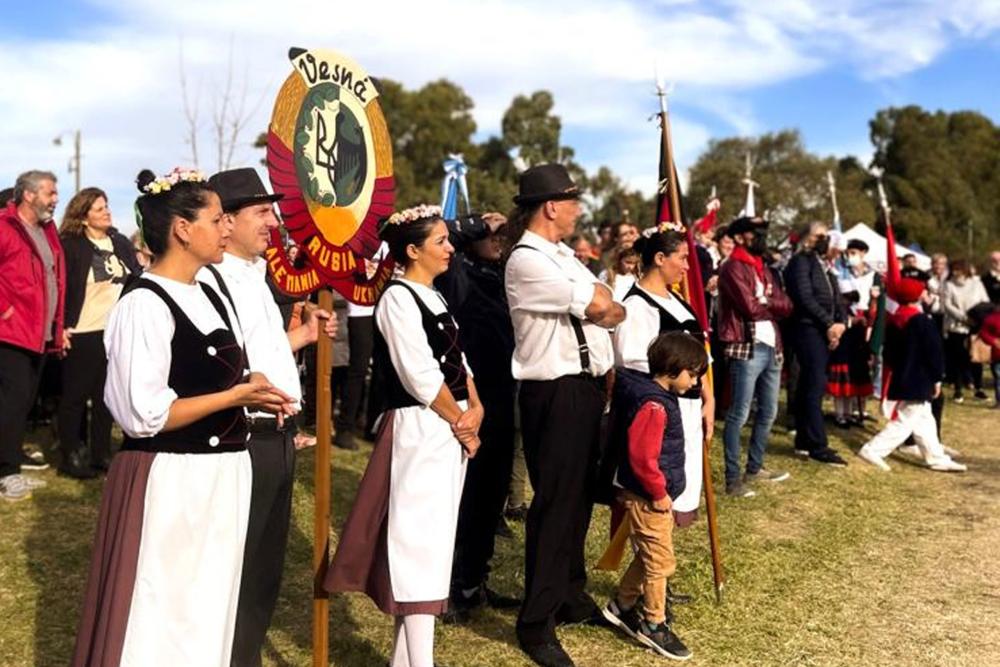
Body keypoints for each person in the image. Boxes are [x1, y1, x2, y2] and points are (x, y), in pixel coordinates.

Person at [72, 168, 296, 665]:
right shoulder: (143, 304)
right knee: (165, 611)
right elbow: (143, 414)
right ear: (181, 229)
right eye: (217, 220)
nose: (224, 229)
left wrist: (258, 385)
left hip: (223, 477)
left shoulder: (210, 292)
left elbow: (224, 372)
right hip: (173, 481)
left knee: (209, 608)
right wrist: (238, 397)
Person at [326, 205, 484, 667]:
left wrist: (477, 407)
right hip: (421, 427)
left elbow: (457, 361)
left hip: (445, 428)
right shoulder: (397, 298)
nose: (450, 248)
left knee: (433, 541)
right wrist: (461, 421)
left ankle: (405, 660)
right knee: (418, 544)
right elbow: (419, 373)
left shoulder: (433, 296)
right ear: (412, 250)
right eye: (440, 241)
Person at [199, 167, 336, 667]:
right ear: (226, 221)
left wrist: (295, 340)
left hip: (276, 435)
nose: (273, 222)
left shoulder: (256, 275)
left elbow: (255, 350)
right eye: (261, 212)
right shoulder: (211, 279)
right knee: (236, 567)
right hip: (243, 437)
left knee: (262, 570)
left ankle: (244, 657)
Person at [503, 164, 625, 667]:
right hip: (554, 391)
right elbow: (601, 308)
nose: (579, 210)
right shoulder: (528, 260)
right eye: (573, 202)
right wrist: (602, 306)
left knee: (576, 501)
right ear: (551, 206)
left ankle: (569, 592)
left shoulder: (561, 256)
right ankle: (536, 622)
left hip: (584, 387)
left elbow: (611, 305)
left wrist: (604, 306)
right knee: (554, 506)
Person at [434, 211, 522, 621]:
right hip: (469, 399)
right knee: (466, 497)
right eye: (493, 237)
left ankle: (475, 580)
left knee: (491, 496)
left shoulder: (501, 276)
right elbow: (443, 232)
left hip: (503, 396)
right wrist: (477, 225)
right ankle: (451, 587)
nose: (499, 242)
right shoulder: (457, 274)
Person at [601, 332, 707, 661]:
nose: (695, 382)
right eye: (692, 374)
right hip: (648, 498)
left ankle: (622, 604)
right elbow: (643, 457)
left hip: (652, 495)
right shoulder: (654, 406)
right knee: (660, 562)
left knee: (650, 554)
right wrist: (659, 492)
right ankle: (653, 622)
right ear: (673, 370)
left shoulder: (660, 398)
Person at [611, 226, 714, 525]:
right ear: (659, 257)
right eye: (681, 258)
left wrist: (708, 398)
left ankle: (659, 557)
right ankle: (649, 564)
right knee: (650, 495)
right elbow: (633, 367)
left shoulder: (679, 303)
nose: (686, 266)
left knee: (681, 482)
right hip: (659, 413)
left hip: (689, 408)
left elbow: (699, 356)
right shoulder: (637, 306)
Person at [58, 187, 142, 479]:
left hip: (114, 331)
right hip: (82, 330)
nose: (107, 211)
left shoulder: (118, 242)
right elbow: (61, 287)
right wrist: (61, 326)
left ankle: (101, 454)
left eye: (106, 206)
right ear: (83, 217)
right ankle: (70, 454)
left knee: (107, 397)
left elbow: (135, 277)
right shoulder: (70, 245)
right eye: (99, 208)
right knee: (75, 398)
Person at [857, 277, 966, 472]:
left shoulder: (895, 319)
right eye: (923, 291)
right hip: (920, 378)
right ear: (917, 296)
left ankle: (936, 457)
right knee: (905, 421)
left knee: (925, 419)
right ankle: (874, 449)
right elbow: (934, 352)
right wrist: (937, 377)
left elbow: (889, 352)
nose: (926, 293)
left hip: (904, 376)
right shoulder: (922, 321)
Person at [0, 170, 64, 501]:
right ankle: (8, 472)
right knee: (12, 402)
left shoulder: (46, 230)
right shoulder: (4, 226)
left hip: (39, 333)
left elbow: (55, 279)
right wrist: (5, 312)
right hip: (10, 333)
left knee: (24, 401)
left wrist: (58, 325)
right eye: (51, 193)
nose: (56, 199)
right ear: (28, 194)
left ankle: (11, 462)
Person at [717, 216, 793, 495]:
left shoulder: (763, 268)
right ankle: (732, 478)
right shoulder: (733, 267)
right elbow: (749, 308)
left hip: (772, 346)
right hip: (746, 346)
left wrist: (766, 302)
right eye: (754, 232)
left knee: (769, 411)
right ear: (739, 237)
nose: (760, 237)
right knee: (739, 413)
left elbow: (788, 305)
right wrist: (769, 303)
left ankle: (755, 467)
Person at [784, 221, 848, 467]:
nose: (823, 240)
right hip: (807, 328)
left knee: (812, 384)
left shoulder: (824, 265)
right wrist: (828, 323)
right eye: (818, 236)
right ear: (806, 238)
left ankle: (804, 439)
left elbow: (836, 297)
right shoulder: (800, 261)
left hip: (824, 330)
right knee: (813, 385)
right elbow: (804, 297)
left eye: (825, 236)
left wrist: (840, 323)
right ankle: (817, 445)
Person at [827, 239, 879, 428]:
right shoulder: (839, 273)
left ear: (864, 253)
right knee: (842, 369)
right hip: (844, 323)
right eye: (848, 252)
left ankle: (856, 412)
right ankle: (840, 413)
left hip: (863, 327)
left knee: (858, 371)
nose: (851, 256)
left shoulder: (873, 275)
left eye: (855, 252)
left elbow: (875, 305)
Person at [942, 259, 990, 402]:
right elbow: (947, 305)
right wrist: (963, 317)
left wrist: (976, 316)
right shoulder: (948, 285)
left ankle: (979, 388)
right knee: (957, 358)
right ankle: (958, 389)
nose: (956, 272)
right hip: (956, 326)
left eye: (959, 269)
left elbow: (984, 300)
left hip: (975, 325)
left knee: (976, 358)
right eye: (954, 270)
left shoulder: (976, 283)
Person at [976, 304, 1000, 407]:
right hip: (998, 354)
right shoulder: (992, 319)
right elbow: (983, 333)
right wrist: (993, 341)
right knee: (999, 378)